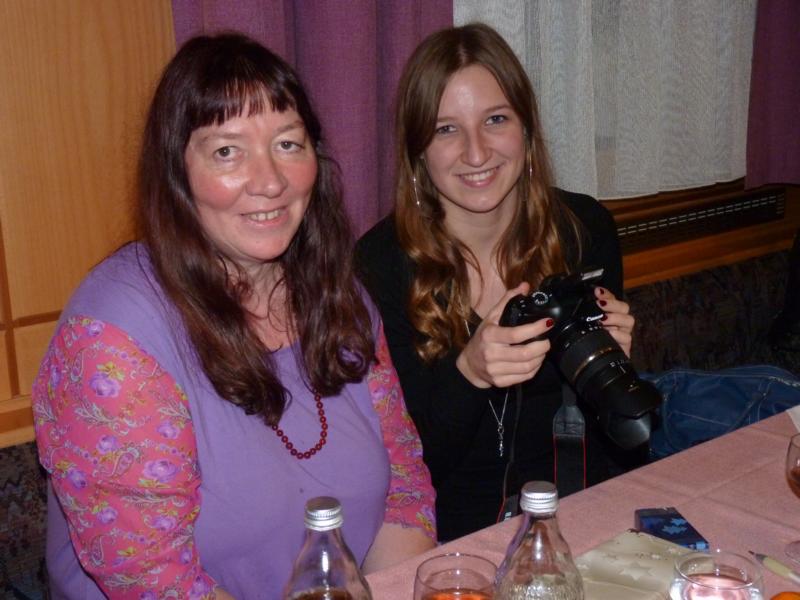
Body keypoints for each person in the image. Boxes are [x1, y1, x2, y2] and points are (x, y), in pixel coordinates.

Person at [32, 33, 435, 599]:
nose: (270, 181)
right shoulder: (113, 337)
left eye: (288, 144)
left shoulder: (338, 296)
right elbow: (157, 581)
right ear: (177, 173)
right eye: (227, 151)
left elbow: (405, 493)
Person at [355, 23, 638, 542]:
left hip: (582, 514)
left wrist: (610, 369)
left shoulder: (584, 230)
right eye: (446, 129)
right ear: (418, 151)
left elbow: (626, 442)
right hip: (453, 539)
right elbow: (403, 478)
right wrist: (469, 374)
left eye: (495, 120)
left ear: (526, 130)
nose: (476, 152)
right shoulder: (379, 264)